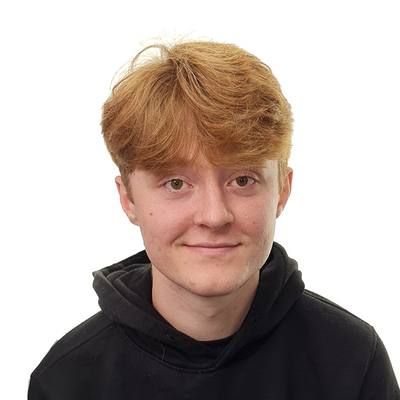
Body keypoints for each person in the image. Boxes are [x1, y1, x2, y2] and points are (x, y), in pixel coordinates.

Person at [28, 40, 399, 399]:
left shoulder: (353, 363)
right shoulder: (66, 382)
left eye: (242, 180)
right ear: (128, 199)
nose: (214, 215)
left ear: (282, 191)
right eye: (176, 183)